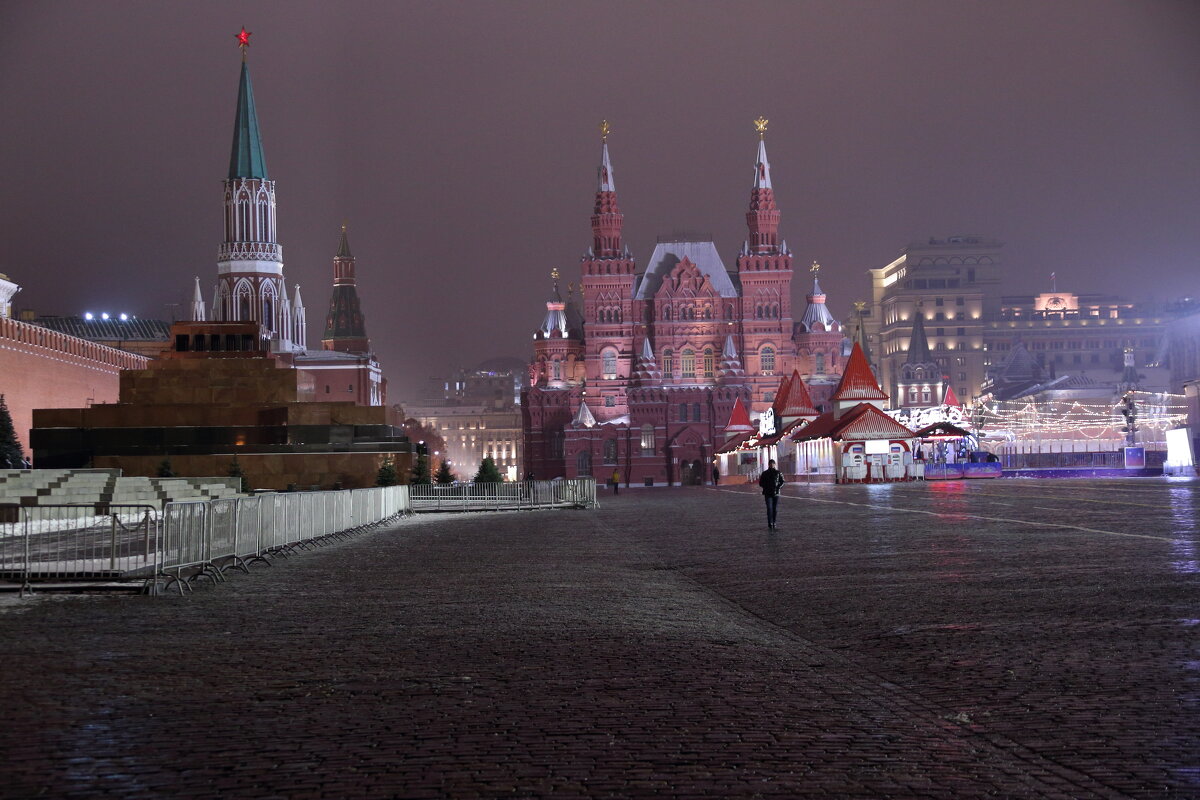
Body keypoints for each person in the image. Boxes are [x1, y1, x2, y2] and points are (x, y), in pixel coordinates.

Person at [758, 459, 784, 529]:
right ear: (768, 464)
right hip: (767, 493)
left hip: (776, 493)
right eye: (770, 464)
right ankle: (770, 522)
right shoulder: (764, 473)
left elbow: (782, 481)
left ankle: (774, 522)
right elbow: (760, 483)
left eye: (773, 464)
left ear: (775, 464)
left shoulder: (778, 473)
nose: (771, 465)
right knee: (769, 508)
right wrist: (766, 487)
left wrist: (778, 487)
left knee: (775, 508)